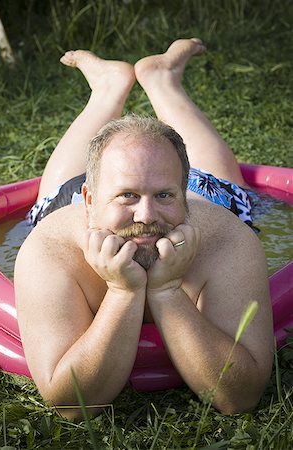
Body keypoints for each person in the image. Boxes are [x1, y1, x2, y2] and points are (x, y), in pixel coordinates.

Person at [14, 38, 274, 420]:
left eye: (166, 195)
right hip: (73, 206)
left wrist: (167, 292)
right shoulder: (50, 248)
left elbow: (240, 397)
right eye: (127, 197)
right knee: (56, 188)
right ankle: (107, 87)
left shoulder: (226, 238)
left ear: (184, 194)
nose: (146, 216)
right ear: (88, 201)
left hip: (204, 197)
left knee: (224, 184)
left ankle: (162, 77)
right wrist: (122, 292)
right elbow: (70, 404)